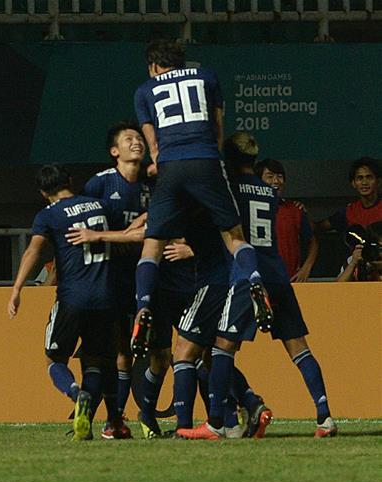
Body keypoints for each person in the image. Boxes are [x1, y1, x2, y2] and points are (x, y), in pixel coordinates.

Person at [177, 132, 337, 439]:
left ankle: (215, 423)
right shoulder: (269, 190)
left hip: (245, 275)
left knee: (222, 348)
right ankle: (324, 417)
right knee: (299, 348)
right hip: (277, 272)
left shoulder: (229, 188)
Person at [131, 39, 271, 358]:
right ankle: (254, 280)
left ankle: (143, 306)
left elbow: (153, 144)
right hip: (205, 159)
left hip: (170, 166)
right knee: (234, 237)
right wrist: (214, 158)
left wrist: (162, 165)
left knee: (152, 246)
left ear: (153, 66)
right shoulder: (206, 76)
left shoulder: (144, 90)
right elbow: (217, 126)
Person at [8, 164, 126, 441]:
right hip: (106, 296)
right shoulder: (101, 205)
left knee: (53, 357)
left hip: (73, 296)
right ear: (70, 182)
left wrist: (17, 289)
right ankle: (100, 418)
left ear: (42, 192)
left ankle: (76, 394)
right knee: (97, 360)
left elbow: (34, 251)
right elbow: (130, 229)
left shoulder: (49, 215)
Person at [81, 122, 150, 436]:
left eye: (139, 138)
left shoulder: (153, 184)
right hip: (109, 279)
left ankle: (138, 417)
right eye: (128, 139)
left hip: (148, 276)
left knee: (154, 354)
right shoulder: (100, 185)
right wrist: (127, 235)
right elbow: (85, 235)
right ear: (114, 151)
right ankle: (111, 419)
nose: (137, 142)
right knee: (117, 352)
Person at [256, 159, 318, 282]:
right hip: (260, 284)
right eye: (270, 176)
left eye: (280, 176)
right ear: (258, 181)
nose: (276, 181)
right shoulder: (248, 208)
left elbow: (313, 241)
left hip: (290, 283)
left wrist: (306, 267)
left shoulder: (295, 209)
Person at [319, 157, 382, 233]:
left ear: (378, 182)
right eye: (360, 178)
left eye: (369, 177)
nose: (364, 182)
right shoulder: (349, 211)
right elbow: (317, 227)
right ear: (353, 183)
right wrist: (302, 212)